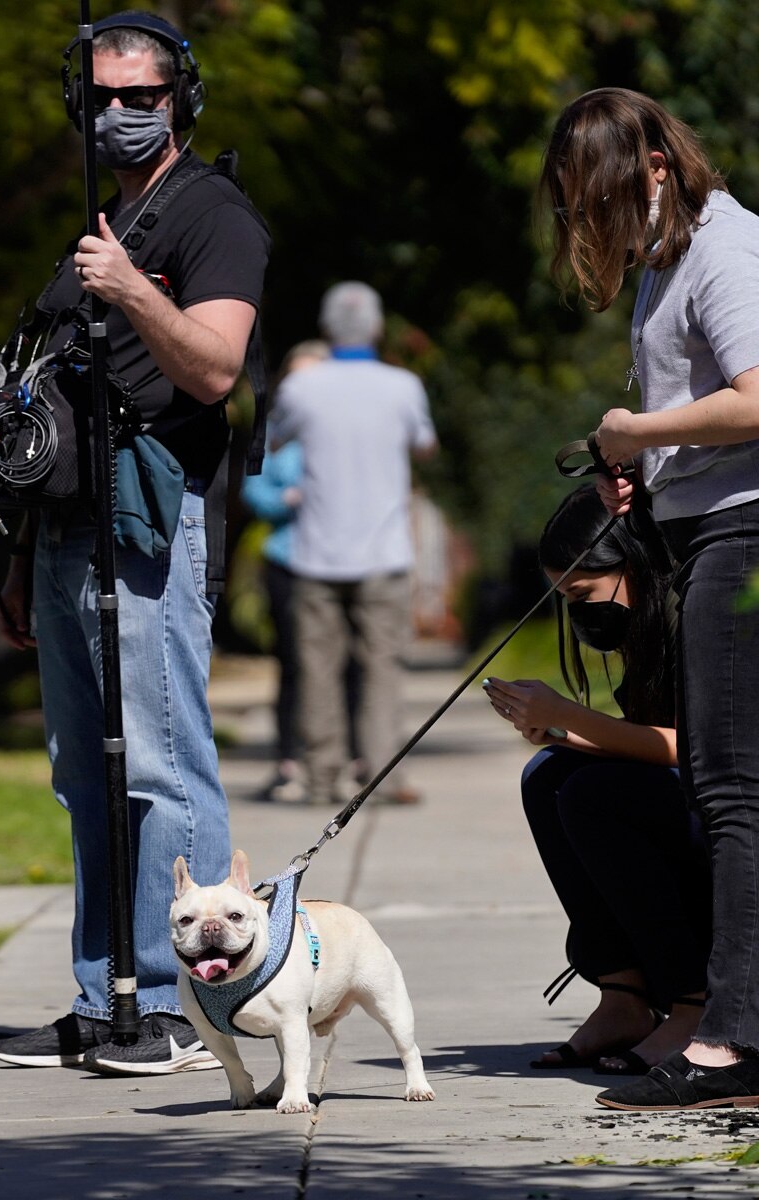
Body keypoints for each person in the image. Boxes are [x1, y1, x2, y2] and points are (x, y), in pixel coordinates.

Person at [0, 13, 269, 1074]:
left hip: (153, 516)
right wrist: (16, 557)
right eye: (102, 96)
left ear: (180, 99)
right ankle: (104, 993)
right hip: (65, 529)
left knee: (160, 762)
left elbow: (213, 371)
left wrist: (132, 287)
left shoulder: (213, 217)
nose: (118, 113)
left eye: (139, 95)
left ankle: (186, 1005)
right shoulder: (103, 224)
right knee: (86, 774)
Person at [542, 87, 759, 1110]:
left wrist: (640, 429)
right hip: (703, 521)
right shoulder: (669, 262)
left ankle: (735, 1037)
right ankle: (703, 1017)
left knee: (730, 786)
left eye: (602, 201)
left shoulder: (724, 249)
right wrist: (640, 458)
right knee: (718, 785)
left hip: (746, 532)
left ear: (658, 170)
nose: (594, 226)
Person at [485, 485, 710, 1076]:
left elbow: (702, 751)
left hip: (734, 811)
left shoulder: (696, 610)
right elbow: (650, 738)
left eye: (582, 593)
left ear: (631, 564)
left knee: (595, 793)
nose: (578, 610)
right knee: (549, 774)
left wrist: (572, 718)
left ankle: (694, 1003)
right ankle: (624, 998)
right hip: (693, 796)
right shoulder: (649, 627)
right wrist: (557, 733)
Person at [269, 283, 436, 808]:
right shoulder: (403, 385)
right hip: (384, 552)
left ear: (325, 331)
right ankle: (383, 776)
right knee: (382, 668)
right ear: (378, 328)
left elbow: (274, 441)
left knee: (318, 670)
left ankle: (321, 778)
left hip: (315, 552)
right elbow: (424, 445)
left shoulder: (302, 389)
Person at [240, 340, 326, 804]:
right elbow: (254, 492)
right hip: (288, 557)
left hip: (339, 559)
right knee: (293, 662)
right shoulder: (274, 431)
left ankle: (343, 757)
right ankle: (288, 757)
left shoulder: (342, 429)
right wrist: (285, 500)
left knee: (343, 662)